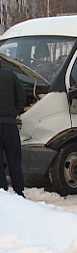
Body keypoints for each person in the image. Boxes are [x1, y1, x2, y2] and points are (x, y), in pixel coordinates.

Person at [0, 60, 26, 197]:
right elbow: (21, 96)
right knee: (14, 160)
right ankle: (19, 190)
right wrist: (14, 112)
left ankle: (2, 192)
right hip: (10, 125)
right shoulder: (11, 75)